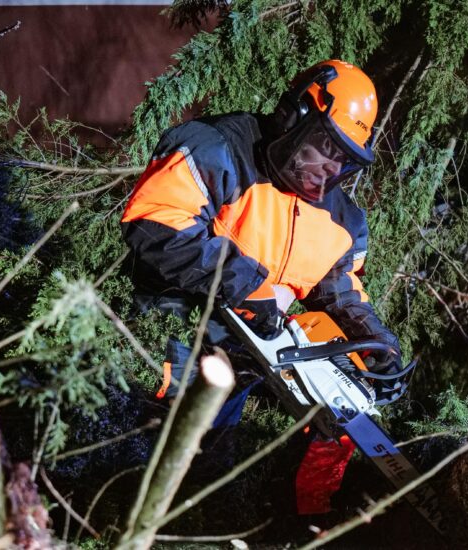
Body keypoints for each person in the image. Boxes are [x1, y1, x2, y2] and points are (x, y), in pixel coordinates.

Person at [120, 59, 401, 514]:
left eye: (343, 159)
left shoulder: (340, 218)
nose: (327, 168)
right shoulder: (219, 149)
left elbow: (339, 285)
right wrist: (245, 284)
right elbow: (155, 221)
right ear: (294, 117)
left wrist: (373, 338)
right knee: (137, 459)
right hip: (167, 341)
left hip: (240, 366)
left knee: (200, 480)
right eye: (324, 146)